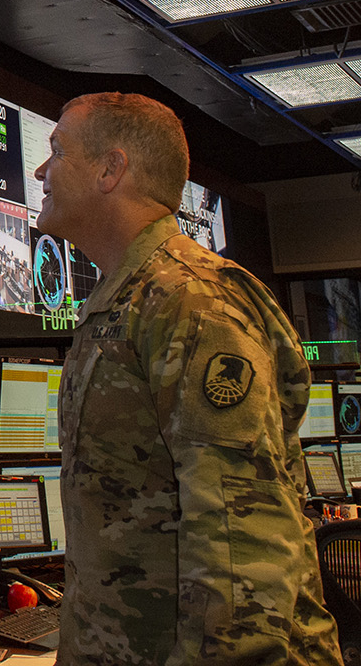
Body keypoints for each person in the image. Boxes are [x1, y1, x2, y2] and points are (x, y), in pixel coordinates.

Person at [34, 92, 341, 666]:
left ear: (110, 169)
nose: (40, 169)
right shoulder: (121, 301)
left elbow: (239, 539)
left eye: (56, 151)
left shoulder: (192, 301)